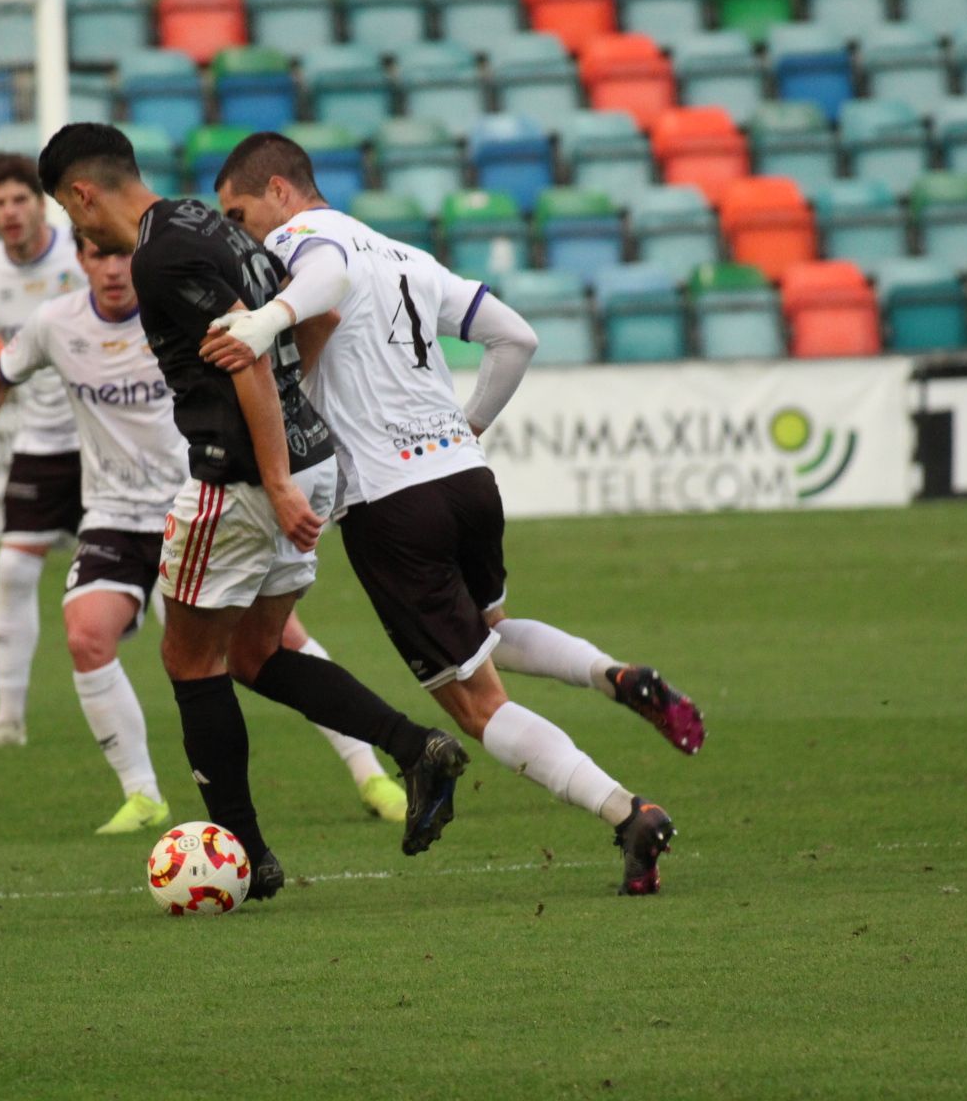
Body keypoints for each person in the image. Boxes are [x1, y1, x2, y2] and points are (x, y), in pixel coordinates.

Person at [204, 132, 699, 894]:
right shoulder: (406, 255)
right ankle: (612, 672)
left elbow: (326, 272)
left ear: (279, 189)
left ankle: (626, 812)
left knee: (475, 704)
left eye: (240, 213)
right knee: (489, 631)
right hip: (467, 479)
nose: (242, 234)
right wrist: (467, 428)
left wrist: (265, 323)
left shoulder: (307, 238)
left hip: (391, 502)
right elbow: (516, 337)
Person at [33, 123, 466, 903]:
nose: (77, 228)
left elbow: (250, 352)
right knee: (256, 655)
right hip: (311, 459)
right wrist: (298, 450)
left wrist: (274, 476)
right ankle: (415, 745)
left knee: (190, 661)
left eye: (71, 212)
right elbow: (317, 321)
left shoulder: (157, 256)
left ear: (81, 193)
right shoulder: (206, 221)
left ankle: (248, 857)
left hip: (241, 479)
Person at [0, 228, 409, 832]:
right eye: (99, 256)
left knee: (278, 644)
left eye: (123, 254)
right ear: (81, 261)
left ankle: (371, 773)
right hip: (115, 517)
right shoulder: (53, 323)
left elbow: (274, 359)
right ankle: (143, 795)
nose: (114, 268)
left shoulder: (179, 311)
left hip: (197, 504)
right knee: (86, 635)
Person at [0, 153, 87, 752]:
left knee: (163, 581)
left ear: (40, 201)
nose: (9, 212)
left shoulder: (87, 255)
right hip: (42, 443)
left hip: (111, 440)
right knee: (12, 567)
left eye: (19, 199)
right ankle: (9, 717)